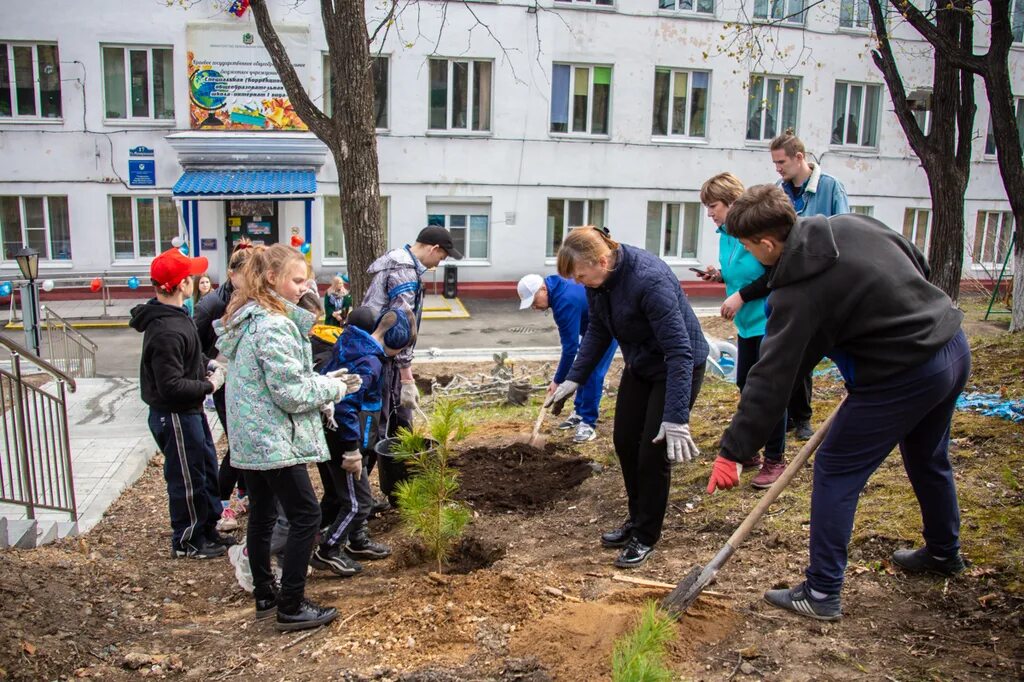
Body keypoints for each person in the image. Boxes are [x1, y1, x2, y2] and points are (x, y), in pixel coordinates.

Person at [706, 185, 969, 621]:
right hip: (951, 346)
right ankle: (944, 552)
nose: (749, 256)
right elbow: (915, 263)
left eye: (749, 248)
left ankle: (822, 591)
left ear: (767, 243)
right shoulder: (849, 225)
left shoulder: (797, 295)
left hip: (903, 374)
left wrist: (733, 449)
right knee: (928, 456)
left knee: (836, 469)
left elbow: (772, 379)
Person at [215, 244, 361, 632]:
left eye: (305, 279)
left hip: (252, 438)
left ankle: (266, 594)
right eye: (297, 280)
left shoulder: (251, 318)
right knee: (306, 515)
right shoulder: (275, 325)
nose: (304, 287)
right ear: (271, 279)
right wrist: (334, 389)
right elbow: (291, 393)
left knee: (262, 514)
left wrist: (321, 381)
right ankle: (292, 605)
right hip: (273, 438)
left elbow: (279, 382)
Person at [545, 227, 709, 568]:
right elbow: (599, 330)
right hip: (642, 364)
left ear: (602, 261)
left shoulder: (649, 281)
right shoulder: (600, 282)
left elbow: (679, 352)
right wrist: (574, 378)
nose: (579, 283)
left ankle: (647, 535)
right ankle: (636, 520)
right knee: (624, 441)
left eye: (581, 276)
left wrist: (676, 417)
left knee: (652, 451)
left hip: (676, 367)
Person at [130, 247, 230, 560]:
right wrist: (208, 385)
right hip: (174, 415)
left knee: (203, 468)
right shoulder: (165, 330)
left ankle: (207, 529)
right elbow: (170, 385)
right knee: (186, 478)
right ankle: (187, 540)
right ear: (182, 285)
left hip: (189, 412)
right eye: (191, 276)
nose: (196, 279)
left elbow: (190, 356)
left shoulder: (177, 316)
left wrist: (207, 364)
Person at [696, 172, 788, 488]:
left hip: (767, 320)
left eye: (714, 206)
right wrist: (720, 276)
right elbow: (741, 271)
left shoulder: (752, 232)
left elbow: (772, 274)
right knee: (744, 385)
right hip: (746, 325)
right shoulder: (726, 235)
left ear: (733, 202)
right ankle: (749, 450)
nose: (710, 213)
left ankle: (775, 459)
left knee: (768, 391)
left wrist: (740, 296)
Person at [311, 304, 416, 577]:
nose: (400, 355)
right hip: (346, 439)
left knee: (356, 496)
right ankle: (328, 549)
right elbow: (346, 405)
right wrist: (351, 451)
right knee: (358, 503)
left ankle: (356, 541)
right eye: (401, 347)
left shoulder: (356, 342)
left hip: (351, 435)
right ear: (394, 341)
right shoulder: (370, 363)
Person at [769, 129, 850, 441]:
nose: (777, 168)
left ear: (799, 158)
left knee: (813, 349)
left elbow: (843, 231)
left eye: (781, 161)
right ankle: (789, 417)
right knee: (792, 351)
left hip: (822, 283)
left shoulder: (829, 188)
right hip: (791, 282)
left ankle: (804, 418)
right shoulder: (781, 190)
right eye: (775, 162)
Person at [362, 225, 461, 448]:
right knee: (385, 423)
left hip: (378, 354)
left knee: (396, 421)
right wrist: (407, 378)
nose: (439, 264)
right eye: (442, 257)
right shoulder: (404, 271)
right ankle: (375, 473)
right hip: (383, 358)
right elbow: (400, 328)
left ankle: (398, 470)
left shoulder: (397, 261)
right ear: (434, 249)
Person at [517, 273, 617, 443]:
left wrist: (557, 381)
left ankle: (588, 423)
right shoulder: (556, 288)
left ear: (543, 289)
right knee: (582, 365)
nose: (534, 307)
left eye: (534, 301)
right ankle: (579, 412)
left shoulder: (564, 303)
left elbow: (570, 349)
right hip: (592, 331)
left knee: (592, 371)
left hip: (609, 328)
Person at [194, 241, 252, 532]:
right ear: (232, 274)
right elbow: (192, 346)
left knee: (245, 440)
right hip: (222, 380)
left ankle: (244, 492)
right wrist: (212, 367)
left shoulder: (250, 297)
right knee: (238, 443)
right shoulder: (211, 304)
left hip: (244, 379)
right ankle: (218, 502)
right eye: (249, 273)